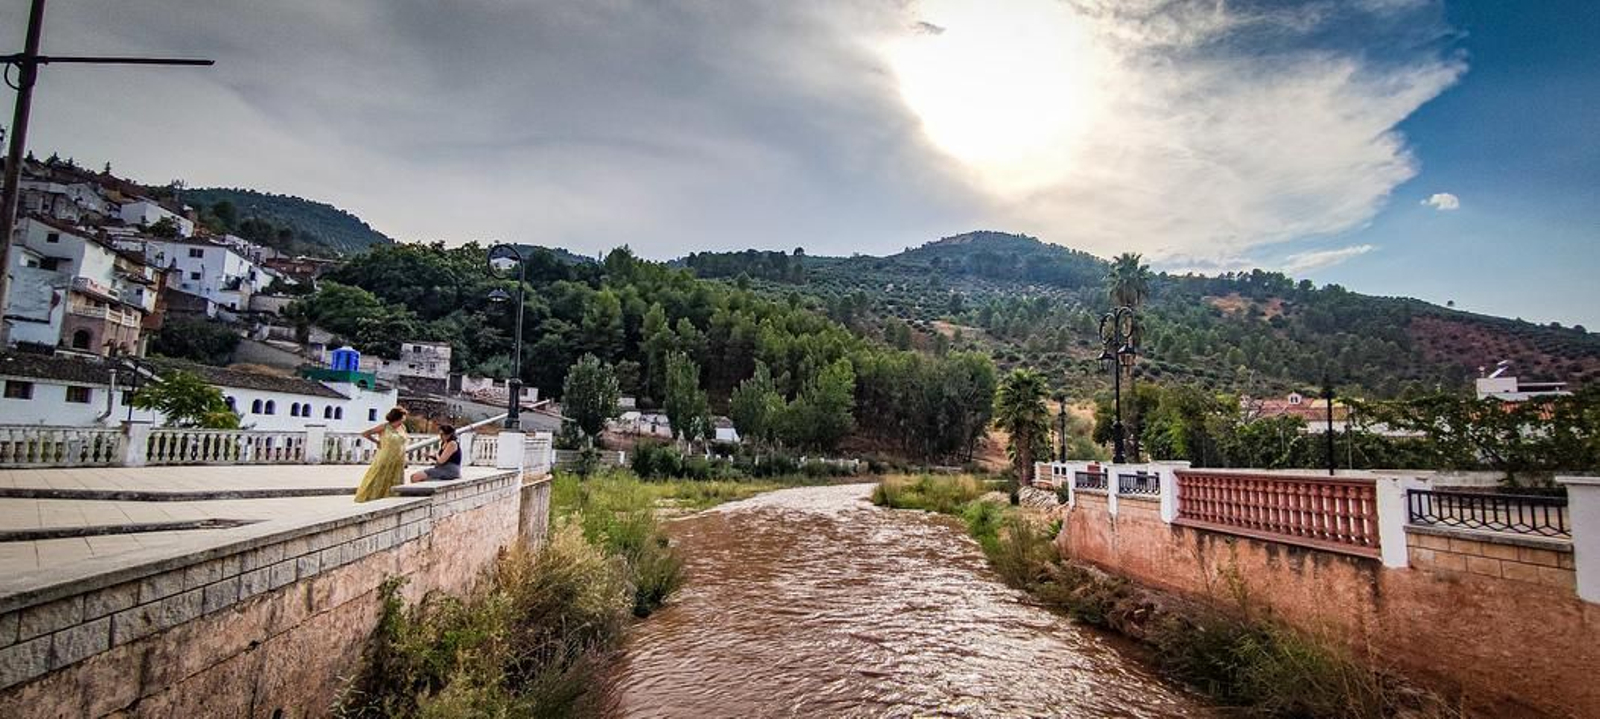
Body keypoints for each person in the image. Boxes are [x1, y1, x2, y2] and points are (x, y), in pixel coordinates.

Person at [355, 406, 408, 502]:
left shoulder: (403, 427)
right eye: (403, 416)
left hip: (398, 458)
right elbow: (366, 433)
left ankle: (390, 499)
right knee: (378, 477)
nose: (405, 418)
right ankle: (369, 498)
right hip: (385, 456)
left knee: (394, 479)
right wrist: (377, 442)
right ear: (398, 416)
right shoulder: (385, 427)